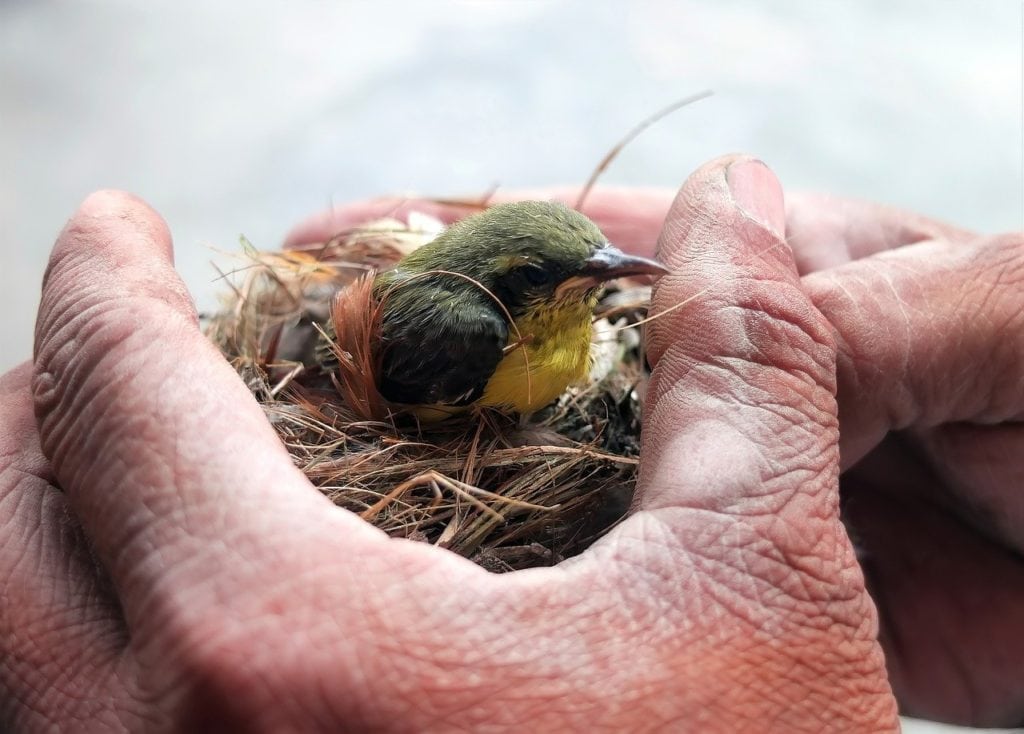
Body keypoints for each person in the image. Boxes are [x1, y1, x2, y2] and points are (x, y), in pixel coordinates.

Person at [1, 155, 1020, 732]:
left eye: (601, 265)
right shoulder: (467, 331)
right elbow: (332, 358)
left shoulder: (573, 332)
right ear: (509, 287)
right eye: (564, 272)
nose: (613, 272)